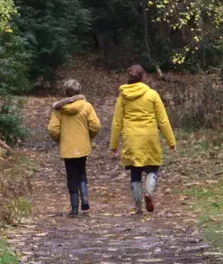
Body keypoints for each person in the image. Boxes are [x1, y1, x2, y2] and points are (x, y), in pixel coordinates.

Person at [109, 64, 176, 214]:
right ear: (143, 76)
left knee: (135, 172)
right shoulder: (152, 94)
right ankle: (149, 193)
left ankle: (138, 206)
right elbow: (163, 120)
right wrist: (171, 141)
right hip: (149, 137)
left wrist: (114, 145)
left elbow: (117, 122)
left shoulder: (123, 96)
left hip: (131, 138)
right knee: (152, 168)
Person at [47, 78, 100, 217]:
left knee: (71, 175)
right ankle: (85, 199)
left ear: (65, 92)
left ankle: (74, 208)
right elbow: (95, 125)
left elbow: (53, 129)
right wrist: (89, 136)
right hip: (83, 146)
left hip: (67, 147)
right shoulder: (87, 106)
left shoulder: (59, 110)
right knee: (82, 171)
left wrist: (60, 139)